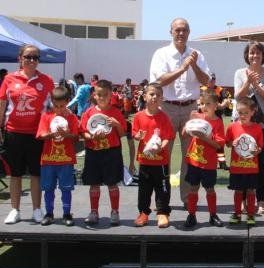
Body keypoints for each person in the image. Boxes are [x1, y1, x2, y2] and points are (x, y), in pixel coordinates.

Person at [149, 18, 211, 206]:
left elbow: (206, 80)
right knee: (162, 154)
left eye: (184, 30)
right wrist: (182, 68)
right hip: (166, 107)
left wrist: (192, 65)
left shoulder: (196, 54)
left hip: (190, 109)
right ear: (171, 32)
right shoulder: (161, 54)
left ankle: (187, 199)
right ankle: (163, 199)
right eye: (177, 30)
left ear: (189, 32)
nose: (181, 33)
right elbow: (159, 81)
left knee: (190, 156)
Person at [1, 44, 54, 224]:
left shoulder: (46, 80)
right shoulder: (9, 79)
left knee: (36, 173)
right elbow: (2, 105)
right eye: (28, 57)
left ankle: (37, 210)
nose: (32, 60)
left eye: (35, 57)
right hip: (13, 133)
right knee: (15, 174)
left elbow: (51, 109)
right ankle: (15, 210)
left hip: (37, 135)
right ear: (20, 58)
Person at [234, 41, 264, 214]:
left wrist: (257, 86)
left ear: (263, 56)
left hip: (262, 125)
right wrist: (248, 82)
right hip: (242, 125)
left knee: (260, 163)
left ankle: (260, 200)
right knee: (243, 162)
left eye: (258, 53)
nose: (255, 56)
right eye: (251, 53)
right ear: (247, 55)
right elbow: (238, 96)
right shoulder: (239, 73)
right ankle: (243, 200)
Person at [80, 80, 126, 226]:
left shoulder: (116, 112)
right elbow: (83, 133)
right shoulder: (88, 113)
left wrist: (117, 124)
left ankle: (115, 212)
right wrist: (92, 136)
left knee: (112, 184)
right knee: (94, 184)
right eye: (99, 95)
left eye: (105, 95)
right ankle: (94, 212)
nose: (102, 98)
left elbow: (123, 133)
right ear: (94, 95)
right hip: (93, 152)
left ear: (111, 95)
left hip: (112, 152)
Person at [131, 83, 175, 228]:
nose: (154, 97)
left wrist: (160, 148)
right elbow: (135, 135)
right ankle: (143, 213)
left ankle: (162, 213)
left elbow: (168, 137)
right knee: (144, 189)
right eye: (151, 94)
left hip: (161, 162)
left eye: (158, 95)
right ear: (144, 97)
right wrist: (138, 136)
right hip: (144, 161)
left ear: (162, 98)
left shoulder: (164, 117)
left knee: (162, 188)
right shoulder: (138, 116)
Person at [36, 86, 79, 226]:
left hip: (66, 160)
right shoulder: (46, 116)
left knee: (66, 188)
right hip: (48, 160)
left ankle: (67, 214)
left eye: (62, 106)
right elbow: (41, 135)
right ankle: (49, 214)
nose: (59, 109)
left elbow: (76, 137)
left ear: (67, 102)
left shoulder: (72, 118)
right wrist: (51, 134)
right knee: (48, 188)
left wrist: (66, 134)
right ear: (52, 102)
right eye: (56, 106)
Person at [182, 90, 226, 228]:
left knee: (210, 189)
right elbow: (184, 134)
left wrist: (203, 137)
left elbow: (218, 144)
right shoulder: (197, 117)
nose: (204, 106)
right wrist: (189, 122)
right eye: (202, 103)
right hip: (194, 161)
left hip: (209, 164)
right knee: (193, 188)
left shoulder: (218, 123)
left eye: (208, 103)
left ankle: (213, 215)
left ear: (216, 105)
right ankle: (191, 215)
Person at [226, 97, 264, 226]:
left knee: (251, 191)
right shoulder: (232, 127)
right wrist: (233, 143)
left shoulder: (257, 128)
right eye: (240, 113)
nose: (242, 115)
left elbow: (260, 147)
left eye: (246, 113)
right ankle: (237, 213)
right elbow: (227, 143)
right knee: (238, 191)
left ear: (252, 112)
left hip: (251, 167)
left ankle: (251, 214)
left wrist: (256, 151)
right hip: (237, 167)